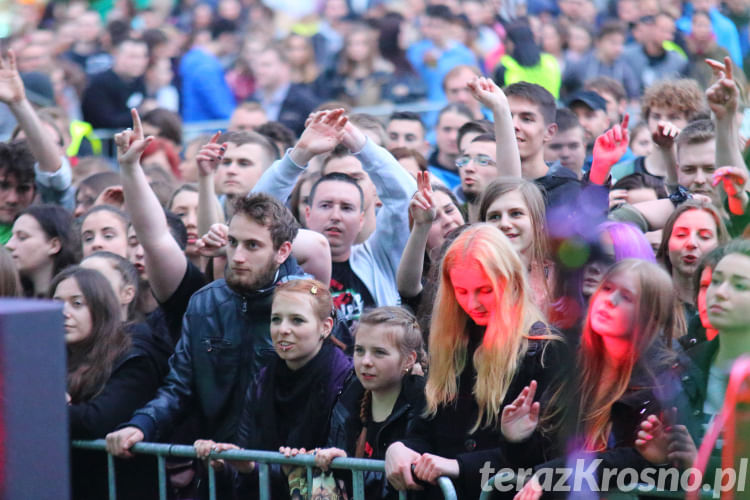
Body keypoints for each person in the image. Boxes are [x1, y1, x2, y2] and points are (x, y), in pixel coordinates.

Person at [385, 224, 569, 499]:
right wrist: (399, 447)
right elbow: (426, 429)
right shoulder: (450, 344)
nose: (472, 303)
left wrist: (460, 466)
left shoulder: (544, 351)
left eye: (484, 289)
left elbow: (549, 458)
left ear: (511, 282)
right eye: (461, 290)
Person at [515, 259, 686, 498]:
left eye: (626, 297)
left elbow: (638, 464)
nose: (610, 300)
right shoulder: (572, 368)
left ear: (652, 318)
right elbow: (537, 464)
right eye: (607, 288)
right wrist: (518, 438)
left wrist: (554, 473)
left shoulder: (664, 382)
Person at [193, 279, 352, 498]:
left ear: (325, 327)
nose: (282, 330)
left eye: (297, 320)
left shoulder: (345, 378)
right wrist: (224, 461)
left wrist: (259, 466)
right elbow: (248, 454)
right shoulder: (264, 377)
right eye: (276, 319)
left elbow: (343, 465)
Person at [53, 266, 169, 500]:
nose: (63, 312)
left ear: (101, 308)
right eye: (57, 303)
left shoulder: (134, 356)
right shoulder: (50, 355)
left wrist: (49, 409)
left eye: (77, 304)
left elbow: (97, 420)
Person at [313, 306, 427, 500]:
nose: (365, 361)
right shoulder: (348, 396)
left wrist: (347, 465)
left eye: (379, 352)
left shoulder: (422, 406)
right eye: (359, 350)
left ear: (409, 360)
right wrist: (328, 460)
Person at [478, 177, 552, 312]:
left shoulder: (561, 280)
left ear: (538, 221)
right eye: (494, 217)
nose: (505, 224)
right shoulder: (474, 279)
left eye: (516, 214)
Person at [656, 200, 729, 318]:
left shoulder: (731, 309)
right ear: (666, 246)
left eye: (705, 237)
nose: (691, 243)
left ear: (720, 246)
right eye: (681, 235)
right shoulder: (649, 306)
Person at [5, 204, 76, 297]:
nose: (9, 245)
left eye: (22, 237)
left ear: (54, 245)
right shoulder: (11, 295)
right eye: (11, 237)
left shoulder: (72, 300)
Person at [81, 38, 148, 129]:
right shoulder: (100, 84)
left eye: (143, 57)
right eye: (132, 57)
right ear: (116, 55)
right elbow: (105, 121)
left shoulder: (139, 82)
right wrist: (142, 113)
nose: (138, 62)